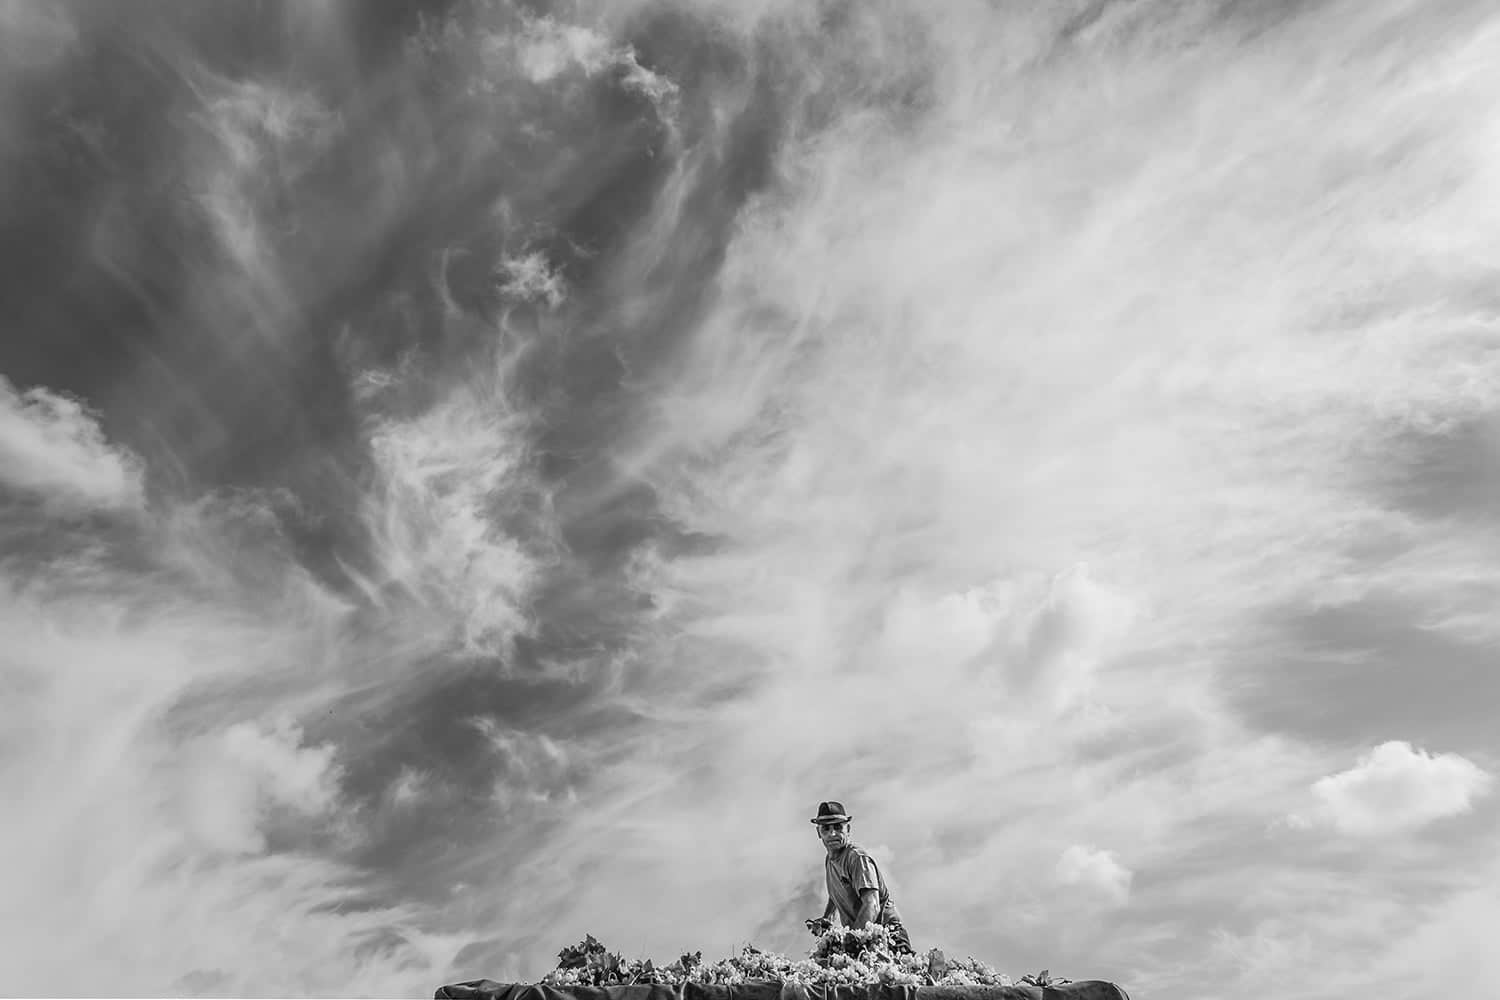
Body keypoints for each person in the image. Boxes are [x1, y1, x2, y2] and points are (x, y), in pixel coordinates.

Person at [804, 800, 914, 954]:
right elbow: (837, 891)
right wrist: (827, 917)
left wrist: (850, 939)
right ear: (818, 833)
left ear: (847, 829)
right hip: (862, 937)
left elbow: (872, 904)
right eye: (826, 828)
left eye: (837, 827)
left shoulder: (856, 858)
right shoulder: (830, 861)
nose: (832, 833)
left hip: (887, 935)